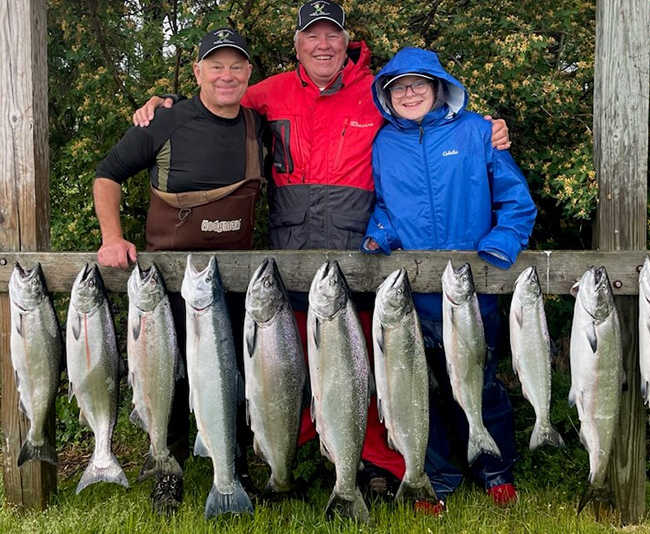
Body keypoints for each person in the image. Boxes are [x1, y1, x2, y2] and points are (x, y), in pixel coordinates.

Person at [132, 0, 513, 504]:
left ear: (346, 39)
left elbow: (426, 120)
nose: (323, 44)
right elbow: (220, 101)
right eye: (312, 35)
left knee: (362, 370)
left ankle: (375, 466)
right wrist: (169, 101)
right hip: (291, 251)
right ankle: (285, 461)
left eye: (332, 34)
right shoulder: (271, 93)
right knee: (287, 368)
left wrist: (483, 126)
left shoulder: (376, 92)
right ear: (297, 45)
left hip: (360, 255)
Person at [94, 28, 265, 514]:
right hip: (166, 285)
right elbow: (107, 175)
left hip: (233, 285)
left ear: (249, 73)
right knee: (164, 381)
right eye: (216, 65)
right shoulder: (166, 120)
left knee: (233, 379)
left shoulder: (258, 127)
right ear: (197, 72)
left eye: (236, 66)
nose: (226, 75)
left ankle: (235, 468)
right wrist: (112, 238)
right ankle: (165, 469)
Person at [361, 47, 537, 506]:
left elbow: (516, 202)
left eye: (420, 83)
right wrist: (380, 234)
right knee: (413, 389)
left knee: (479, 383)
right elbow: (381, 204)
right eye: (399, 87)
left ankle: (495, 470)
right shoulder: (382, 144)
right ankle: (434, 476)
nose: (410, 93)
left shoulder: (479, 132)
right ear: (386, 94)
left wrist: (499, 246)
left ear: (440, 87)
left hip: (470, 294)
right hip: (410, 300)